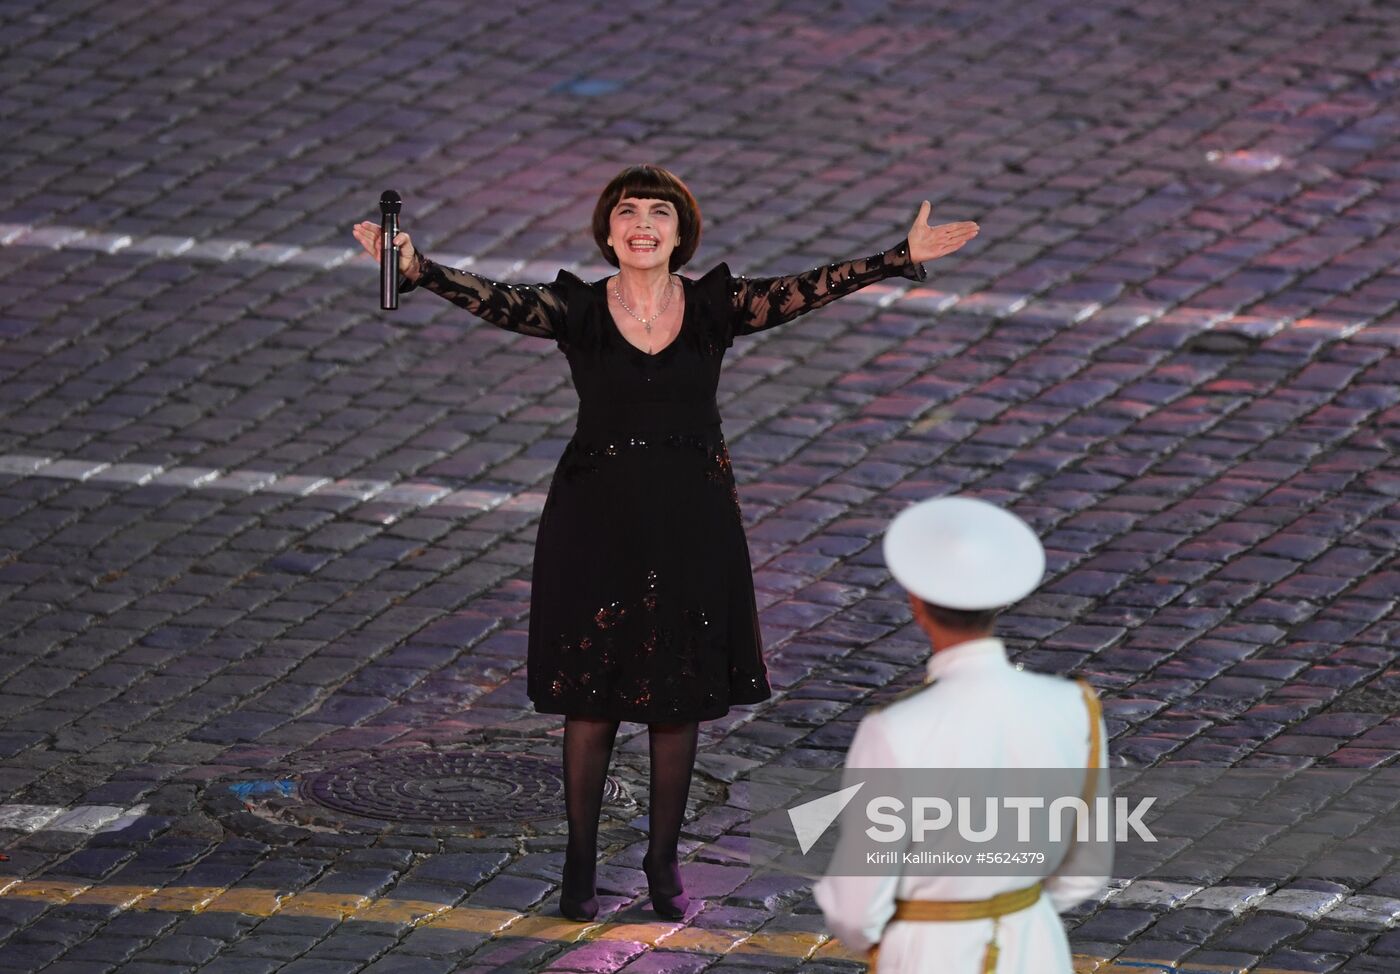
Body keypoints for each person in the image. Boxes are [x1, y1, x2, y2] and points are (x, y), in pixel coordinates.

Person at [352, 165, 979, 922]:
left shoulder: (716, 306)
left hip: (692, 523)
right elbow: (497, 300)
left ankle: (661, 861)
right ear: (608, 231)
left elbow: (811, 286)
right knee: (591, 701)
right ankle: (579, 864)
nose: (641, 223)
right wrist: (416, 268)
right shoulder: (579, 309)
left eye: (658, 213)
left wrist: (895, 256)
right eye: (627, 212)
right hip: (595, 522)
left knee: (675, 700)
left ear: (681, 234)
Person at [813, 496, 1110, 972]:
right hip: (1035, 945)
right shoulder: (1074, 705)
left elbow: (857, 904)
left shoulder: (893, 728)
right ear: (1000, 601)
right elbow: (1086, 867)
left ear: (917, 604)